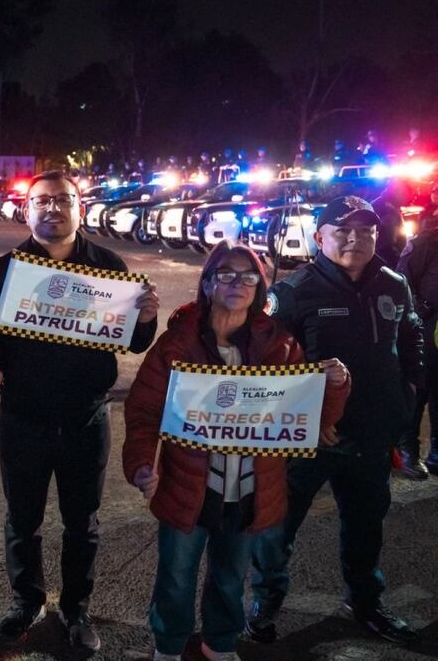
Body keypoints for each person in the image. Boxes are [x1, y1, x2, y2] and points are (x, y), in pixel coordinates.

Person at [123, 242, 350, 661]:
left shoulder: (280, 345)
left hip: (251, 490)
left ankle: (220, 644)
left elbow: (311, 419)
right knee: (175, 576)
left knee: (230, 577)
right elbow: (143, 412)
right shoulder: (176, 345)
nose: (237, 283)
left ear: (260, 289)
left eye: (248, 276)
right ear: (207, 283)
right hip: (187, 486)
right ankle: (169, 647)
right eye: (225, 274)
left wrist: (334, 384)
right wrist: (140, 466)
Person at [0, 170, 160, 652]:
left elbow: (133, 341)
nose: (52, 208)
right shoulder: (6, 267)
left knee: (83, 522)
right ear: (26, 209)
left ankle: (76, 607)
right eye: (42, 201)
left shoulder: (109, 264)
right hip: (22, 416)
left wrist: (148, 317)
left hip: (85, 416)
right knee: (22, 518)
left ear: (79, 206)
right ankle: (27, 600)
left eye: (63, 200)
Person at [248, 196, 425, 647]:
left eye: (365, 230)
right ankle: (265, 604)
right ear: (319, 237)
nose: (354, 239)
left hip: (370, 435)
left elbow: (411, 339)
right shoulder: (292, 292)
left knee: (366, 528)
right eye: (342, 230)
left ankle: (365, 603)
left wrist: (405, 396)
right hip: (306, 442)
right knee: (276, 529)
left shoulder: (393, 283)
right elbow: (262, 364)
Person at [395, 186, 438, 478]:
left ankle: (437, 449)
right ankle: (408, 448)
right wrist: (423, 314)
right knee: (420, 388)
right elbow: (403, 283)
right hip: (427, 329)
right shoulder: (426, 242)